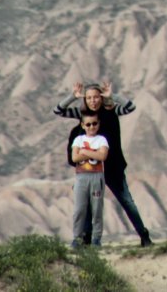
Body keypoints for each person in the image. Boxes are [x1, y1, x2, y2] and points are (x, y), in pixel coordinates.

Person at [55, 81, 153, 246]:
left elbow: (130, 107)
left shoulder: (111, 111)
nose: (93, 101)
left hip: (112, 168)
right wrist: (73, 96)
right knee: (86, 206)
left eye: (96, 97)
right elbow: (58, 110)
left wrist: (112, 96)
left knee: (127, 202)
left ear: (101, 97)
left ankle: (144, 236)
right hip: (89, 169)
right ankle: (86, 240)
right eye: (89, 98)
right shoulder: (83, 115)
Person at [71, 111, 108, 248]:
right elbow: (74, 158)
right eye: (88, 124)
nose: (91, 127)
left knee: (97, 209)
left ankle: (96, 238)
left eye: (94, 123)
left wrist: (85, 152)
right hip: (81, 177)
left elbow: (102, 156)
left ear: (98, 124)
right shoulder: (78, 140)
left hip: (96, 176)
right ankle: (77, 238)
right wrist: (94, 153)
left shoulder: (102, 139)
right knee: (79, 209)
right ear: (83, 125)